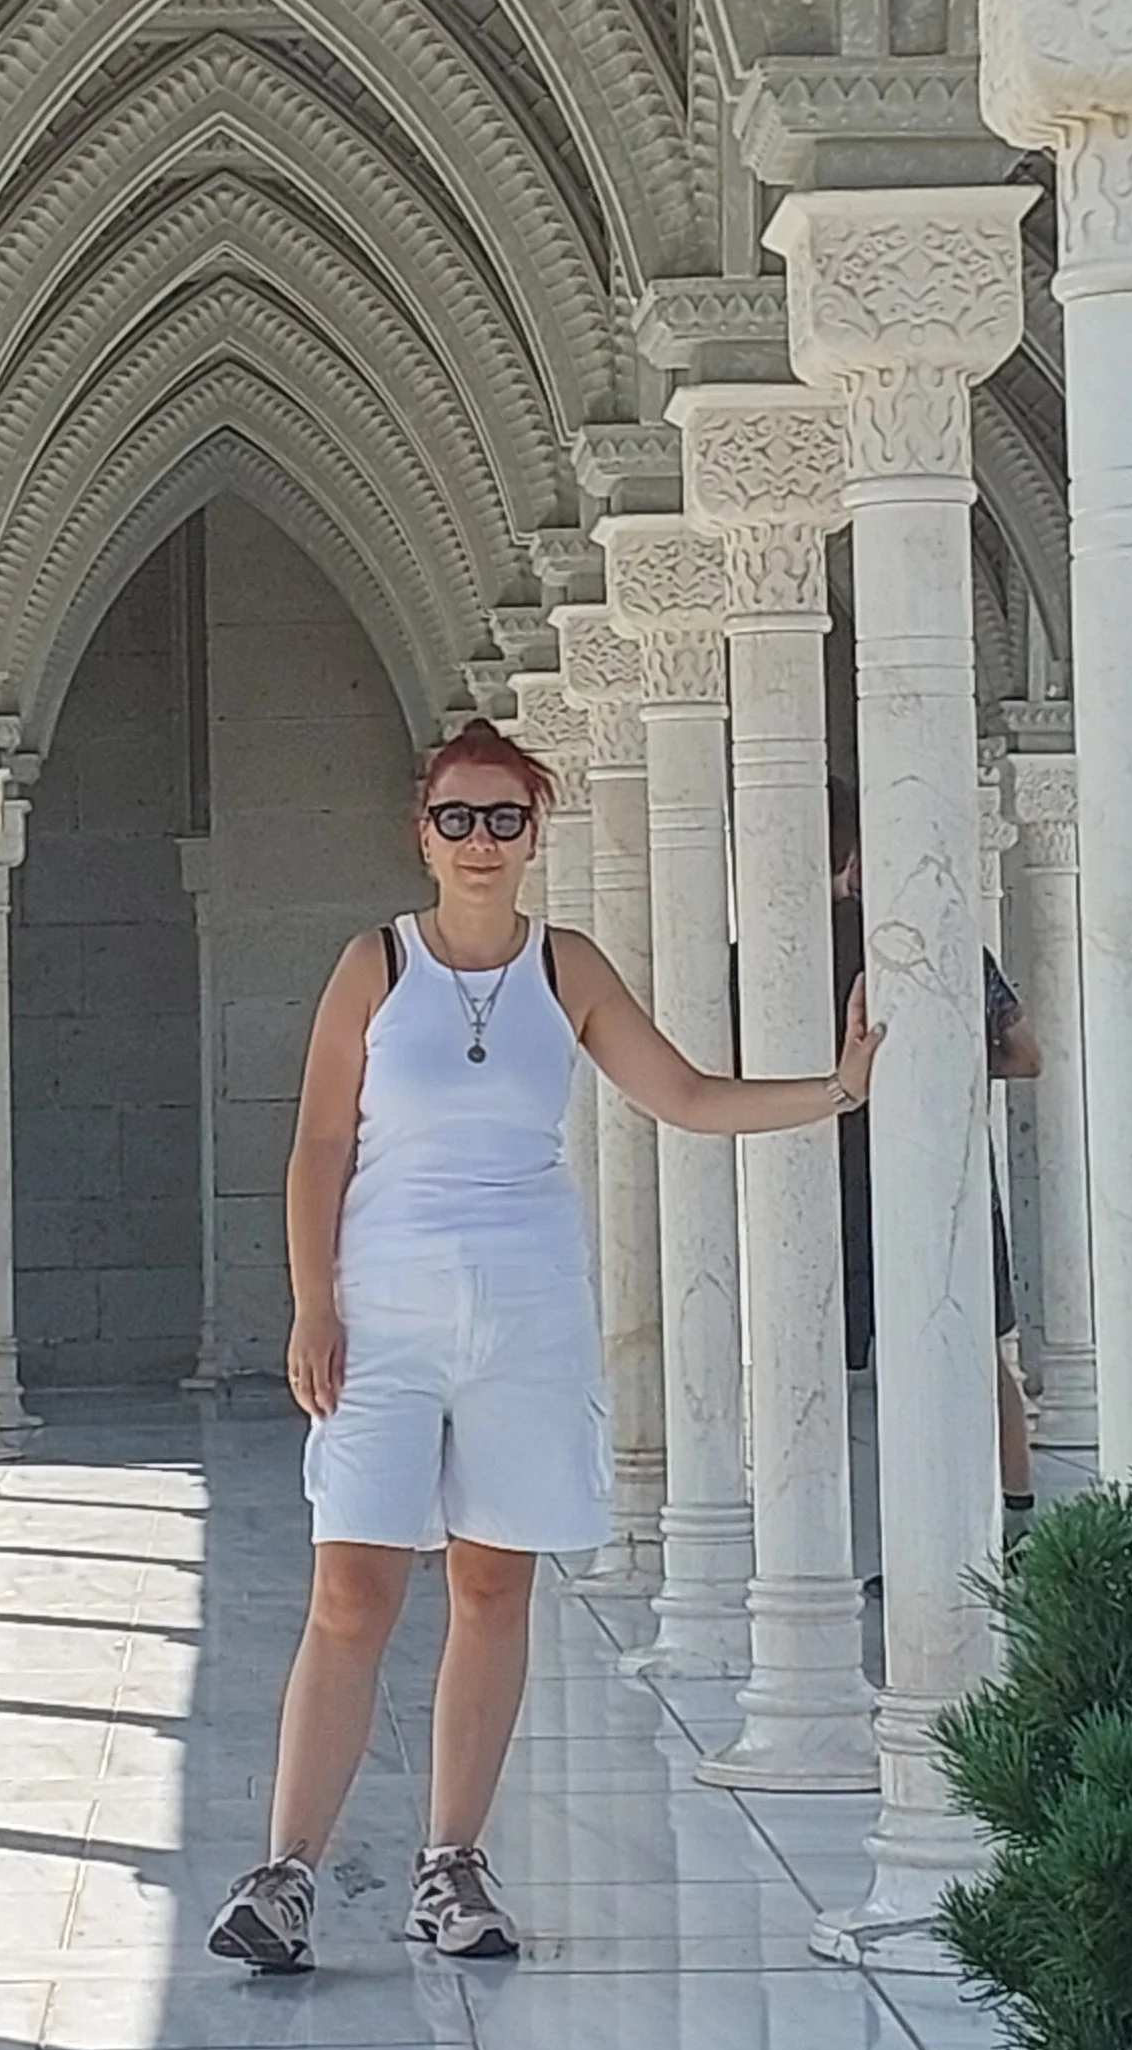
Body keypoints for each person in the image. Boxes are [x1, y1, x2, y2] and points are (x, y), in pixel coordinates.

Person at [208, 718, 884, 1975]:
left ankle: (448, 1865)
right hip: (385, 1315)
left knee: (490, 1587)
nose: (477, 840)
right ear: (421, 832)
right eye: (455, 818)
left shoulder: (563, 967)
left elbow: (679, 1094)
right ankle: (285, 1872)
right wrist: (312, 1301)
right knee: (350, 1591)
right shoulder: (375, 964)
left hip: (525, 1313)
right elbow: (315, 1146)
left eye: (501, 818)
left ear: (534, 832)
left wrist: (834, 1092)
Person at [826, 778, 1040, 1526]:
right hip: (936, 1161)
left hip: (835, 1170)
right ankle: (1006, 1518)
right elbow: (1023, 1054)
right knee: (974, 1344)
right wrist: (941, 1064)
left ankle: (893, 1533)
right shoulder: (951, 948)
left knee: (857, 1357)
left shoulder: (780, 955)